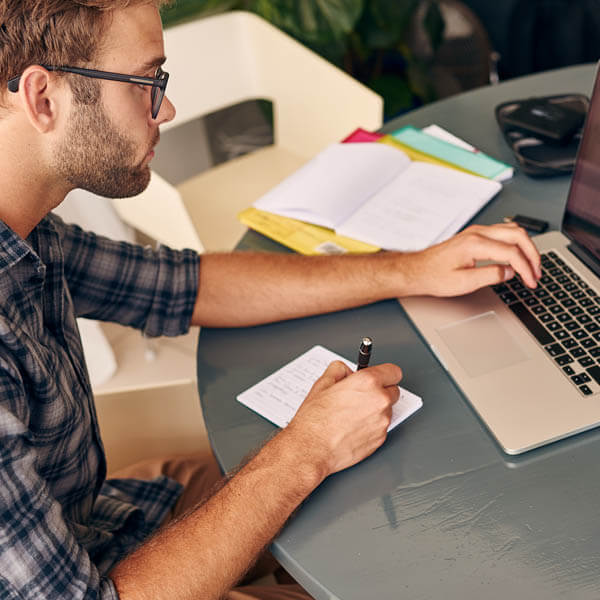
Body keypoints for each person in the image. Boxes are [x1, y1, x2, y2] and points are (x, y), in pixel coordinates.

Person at [0, 1, 541, 599]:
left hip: (100, 521)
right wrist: (305, 449)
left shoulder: (27, 226)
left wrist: (414, 269)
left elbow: (185, 285)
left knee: (390, 501)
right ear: (43, 98)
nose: (168, 108)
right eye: (146, 81)